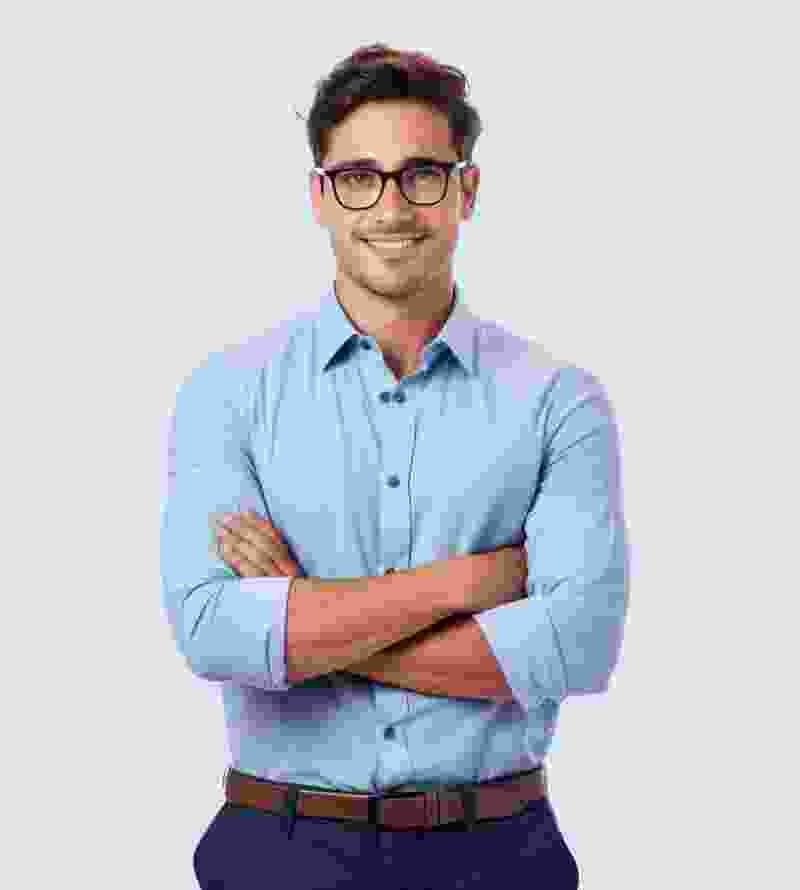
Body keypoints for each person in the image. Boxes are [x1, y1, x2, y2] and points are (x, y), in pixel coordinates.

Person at [160, 42, 629, 890]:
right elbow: (212, 630)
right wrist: (467, 584)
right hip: (278, 850)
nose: (390, 206)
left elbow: (578, 645)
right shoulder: (227, 393)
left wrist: (306, 617)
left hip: (497, 853)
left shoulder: (558, 401)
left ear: (466, 190)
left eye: (421, 174)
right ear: (319, 196)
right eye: (358, 177)